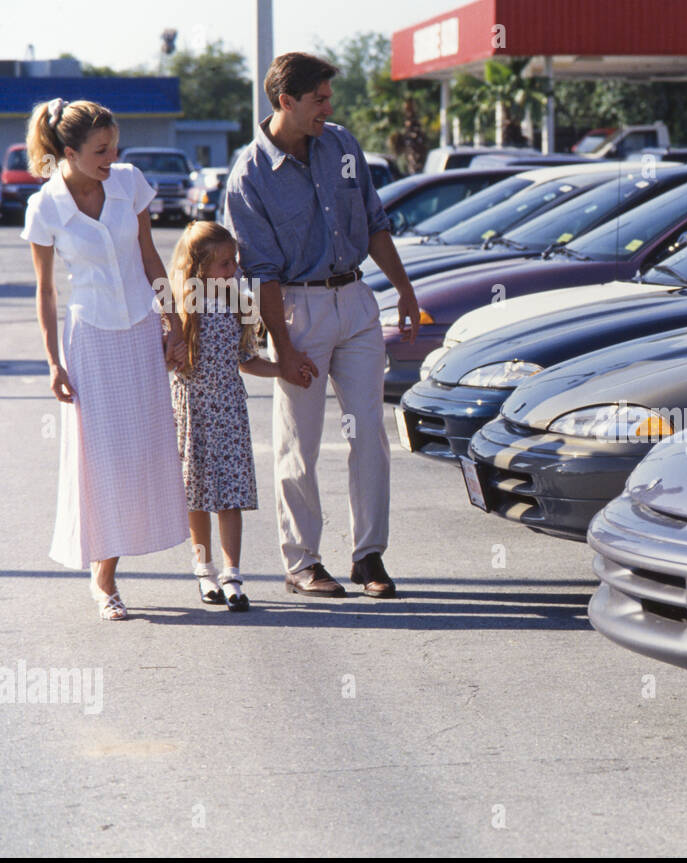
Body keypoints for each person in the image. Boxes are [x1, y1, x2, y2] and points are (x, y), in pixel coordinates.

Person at [224, 52, 420, 599]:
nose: (329, 109)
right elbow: (259, 273)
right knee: (299, 443)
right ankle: (303, 562)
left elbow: (375, 222)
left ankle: (369, 556)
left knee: (370, 436)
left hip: (356, 302)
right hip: (296, 310)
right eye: (320, 100)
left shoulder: (342, 145)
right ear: (286, 101)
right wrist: (281, 348)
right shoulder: (250, 175)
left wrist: (403, 289)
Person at [21, 97, 189, 620]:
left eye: (114, 146)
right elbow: (46, 292)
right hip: (90, 339)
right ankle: (105, 579)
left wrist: (175, 322)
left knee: (142, 451)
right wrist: (52, 361)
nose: (111, 157)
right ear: (67, 151)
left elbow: (148, 254)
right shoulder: (46, 206)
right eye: (100, 150)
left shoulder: (129, 182)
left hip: (140, 329)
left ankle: (134, 561)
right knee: (102, 458)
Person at [169, 221, 301, 611]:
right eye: (225, 264)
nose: (234, 271)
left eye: (235, 262)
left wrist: (281, 369)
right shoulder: (180, 305)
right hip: (192, 409)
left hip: (228, 410)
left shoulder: (237, 303)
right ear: (199, 268)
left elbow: (245, 360)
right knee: (196, 496)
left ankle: (232, 573)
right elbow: (162, 358)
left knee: (230, 496)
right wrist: (169, 354)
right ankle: (203, 568)